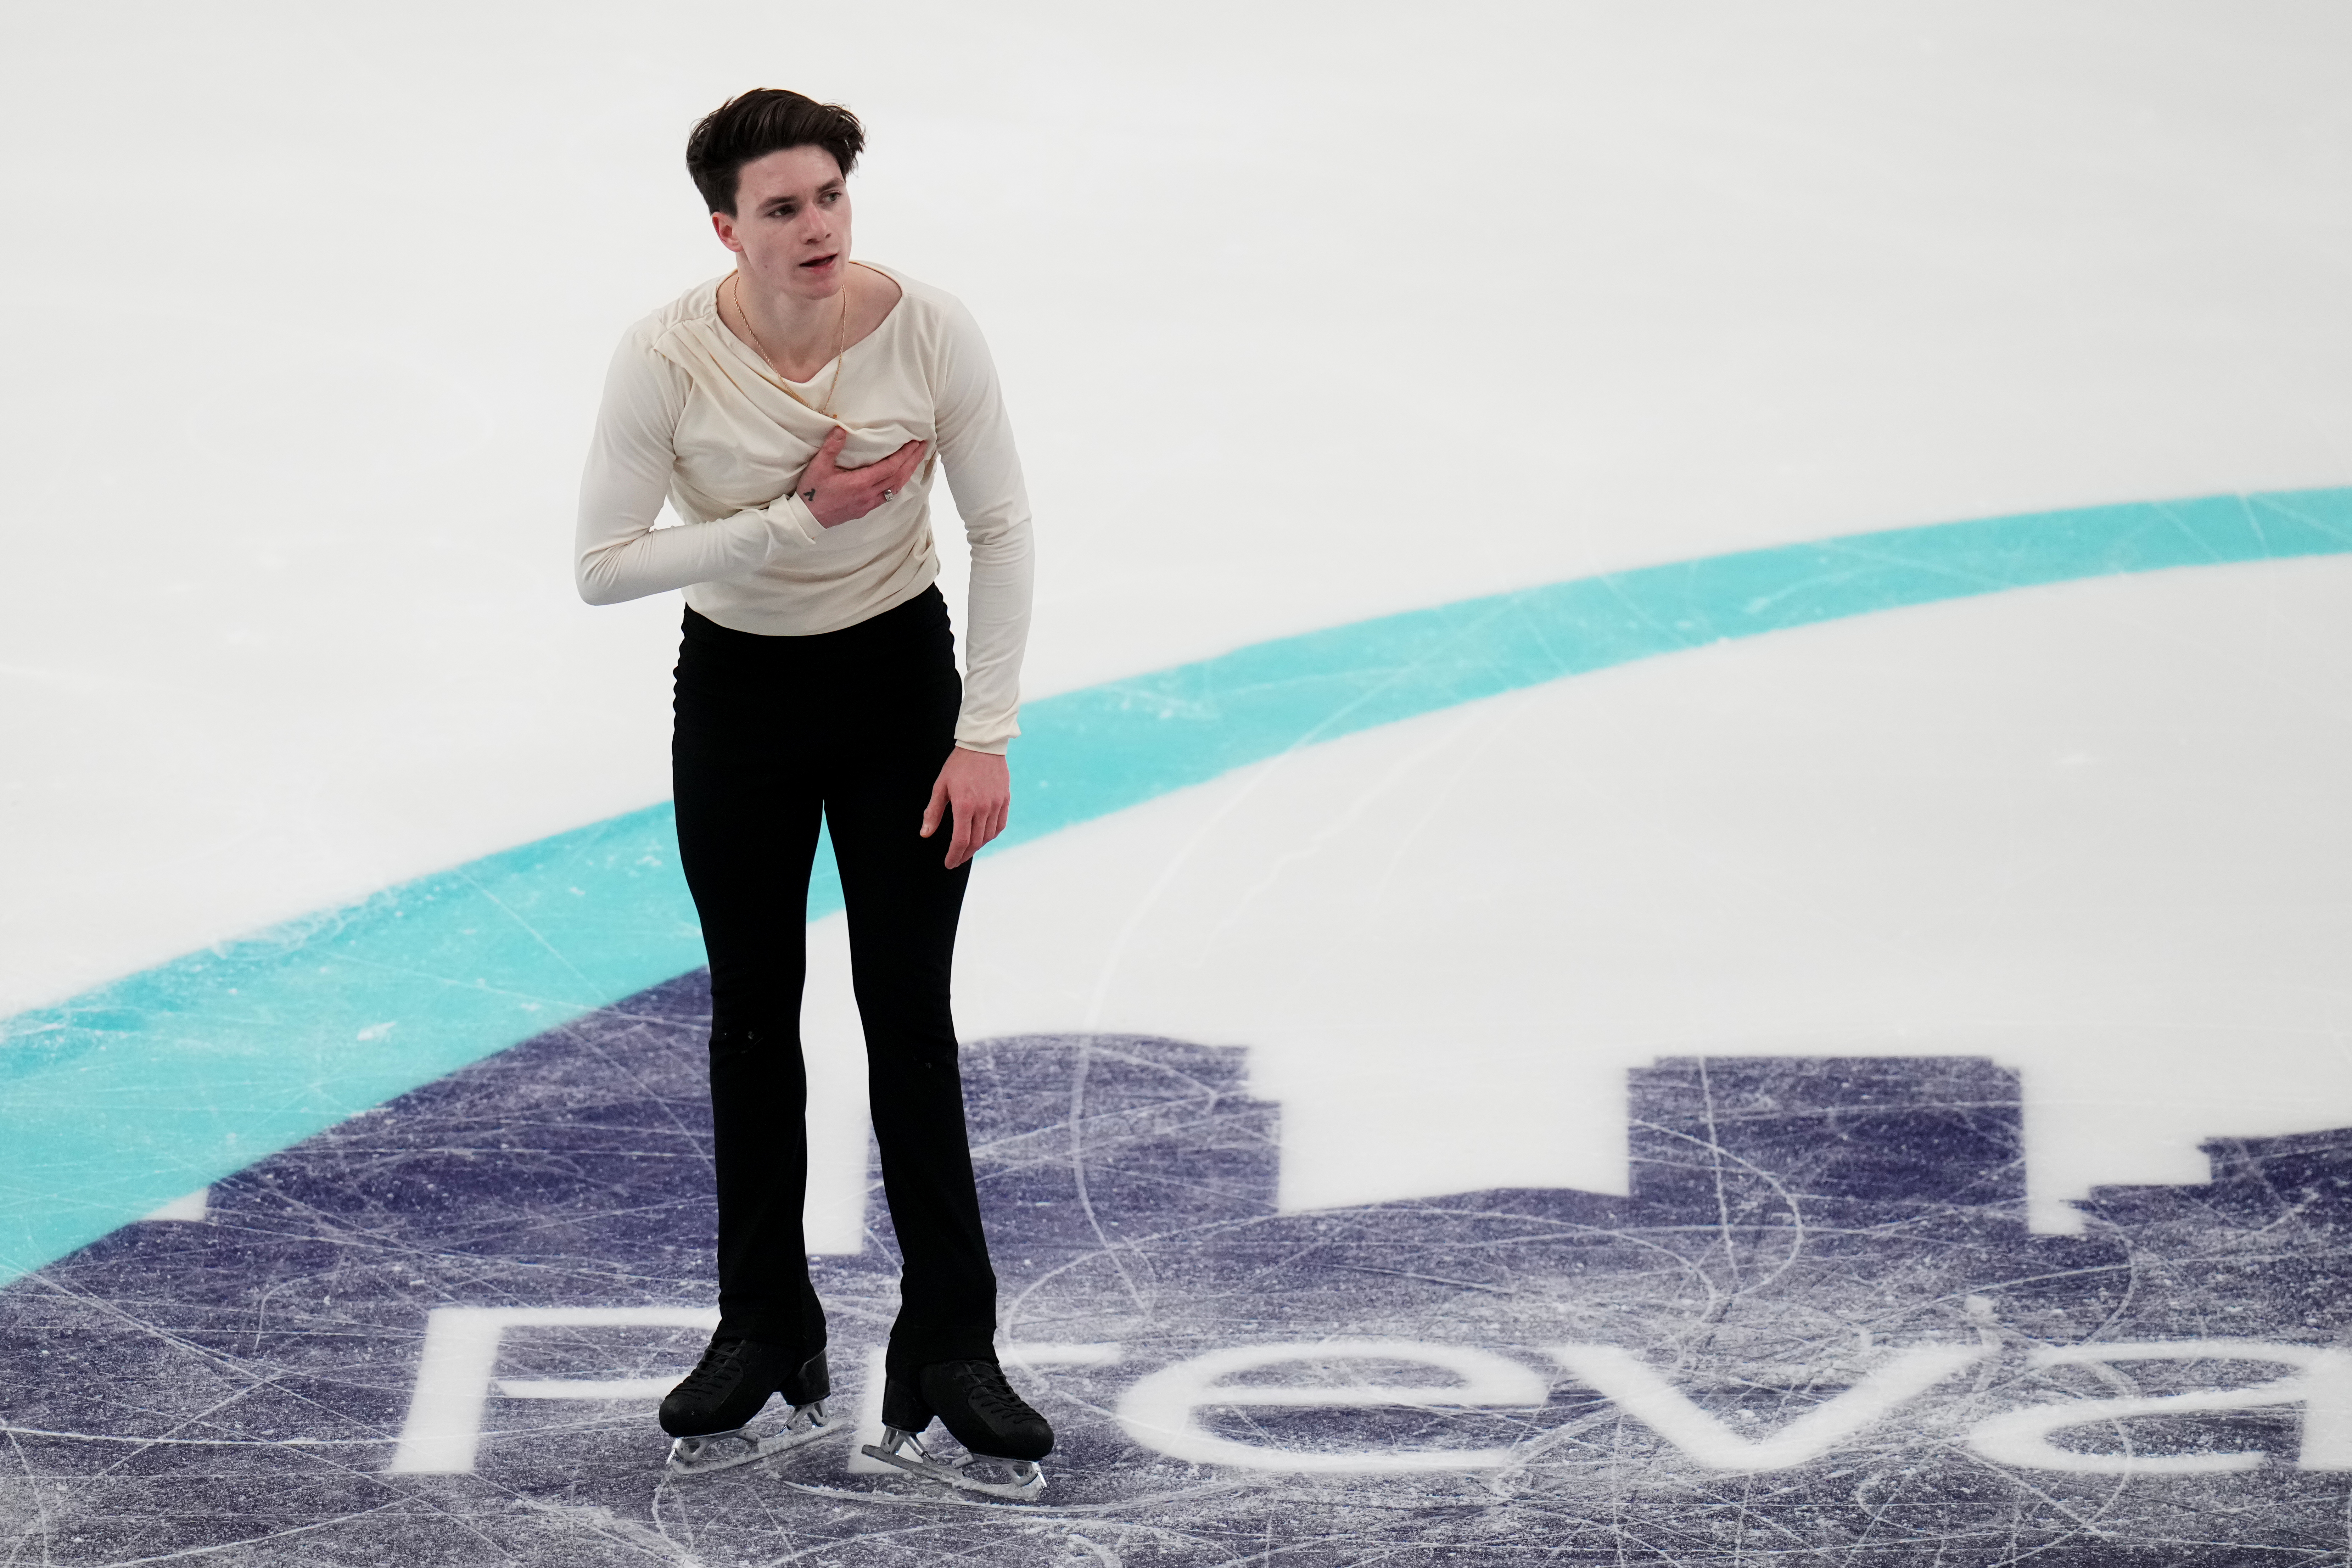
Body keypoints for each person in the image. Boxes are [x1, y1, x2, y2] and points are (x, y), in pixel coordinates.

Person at [573, 87, 1050, 1497]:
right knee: (750, 1019)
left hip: (903, 696)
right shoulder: (663, 358)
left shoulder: (932, 329)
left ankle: (950, 1346)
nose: (817, 226)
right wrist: (795, 518)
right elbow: (602, 563)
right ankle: (765, 1326)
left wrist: (987, 732)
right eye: (782, 208)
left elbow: (1004, 525)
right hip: (741, 703)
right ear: (726, 226)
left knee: (909, 1019)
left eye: (831, 197)